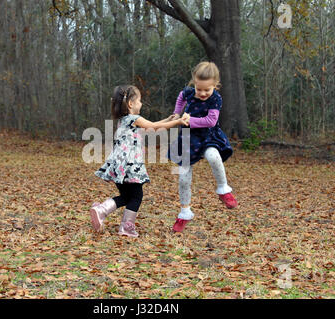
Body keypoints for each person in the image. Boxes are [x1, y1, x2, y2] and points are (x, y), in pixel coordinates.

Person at [91, 85, 189, 237]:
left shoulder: (123, 120)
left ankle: (102, 210)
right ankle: (125, 227)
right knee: (136, 196)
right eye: (139, 100)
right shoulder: (134, 119)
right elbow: (154, 126)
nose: (141, 104)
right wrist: (177, 122)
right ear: (131, 104)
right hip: (130, 167)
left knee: (126, 197)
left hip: (118, 167)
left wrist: (168, 120)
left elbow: (152, 127)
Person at [167, 61, 238, 233]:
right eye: (199, 89)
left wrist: (190, 120)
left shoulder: (216, 99)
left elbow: (210, 121)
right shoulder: (190, 92)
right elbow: (181, 96)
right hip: (187, 139)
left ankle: (223, 189)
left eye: (207, 89)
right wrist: (177, 112)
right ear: (194, 83)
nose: (203, 93)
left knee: (214, 157)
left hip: (208, 136)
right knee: (183, 177)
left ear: (215, 85)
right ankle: (185, 212)